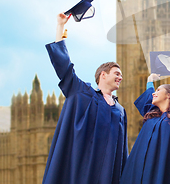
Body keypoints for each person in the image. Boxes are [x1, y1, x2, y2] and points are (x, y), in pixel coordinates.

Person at [43, 13, 127, 184]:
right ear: (103, 75)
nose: (120, 77)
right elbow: (64, 67)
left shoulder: (120, 111)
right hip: (79, 171)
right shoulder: (83, 93)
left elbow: (122, 151)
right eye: (117, 73)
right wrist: (60, 26)